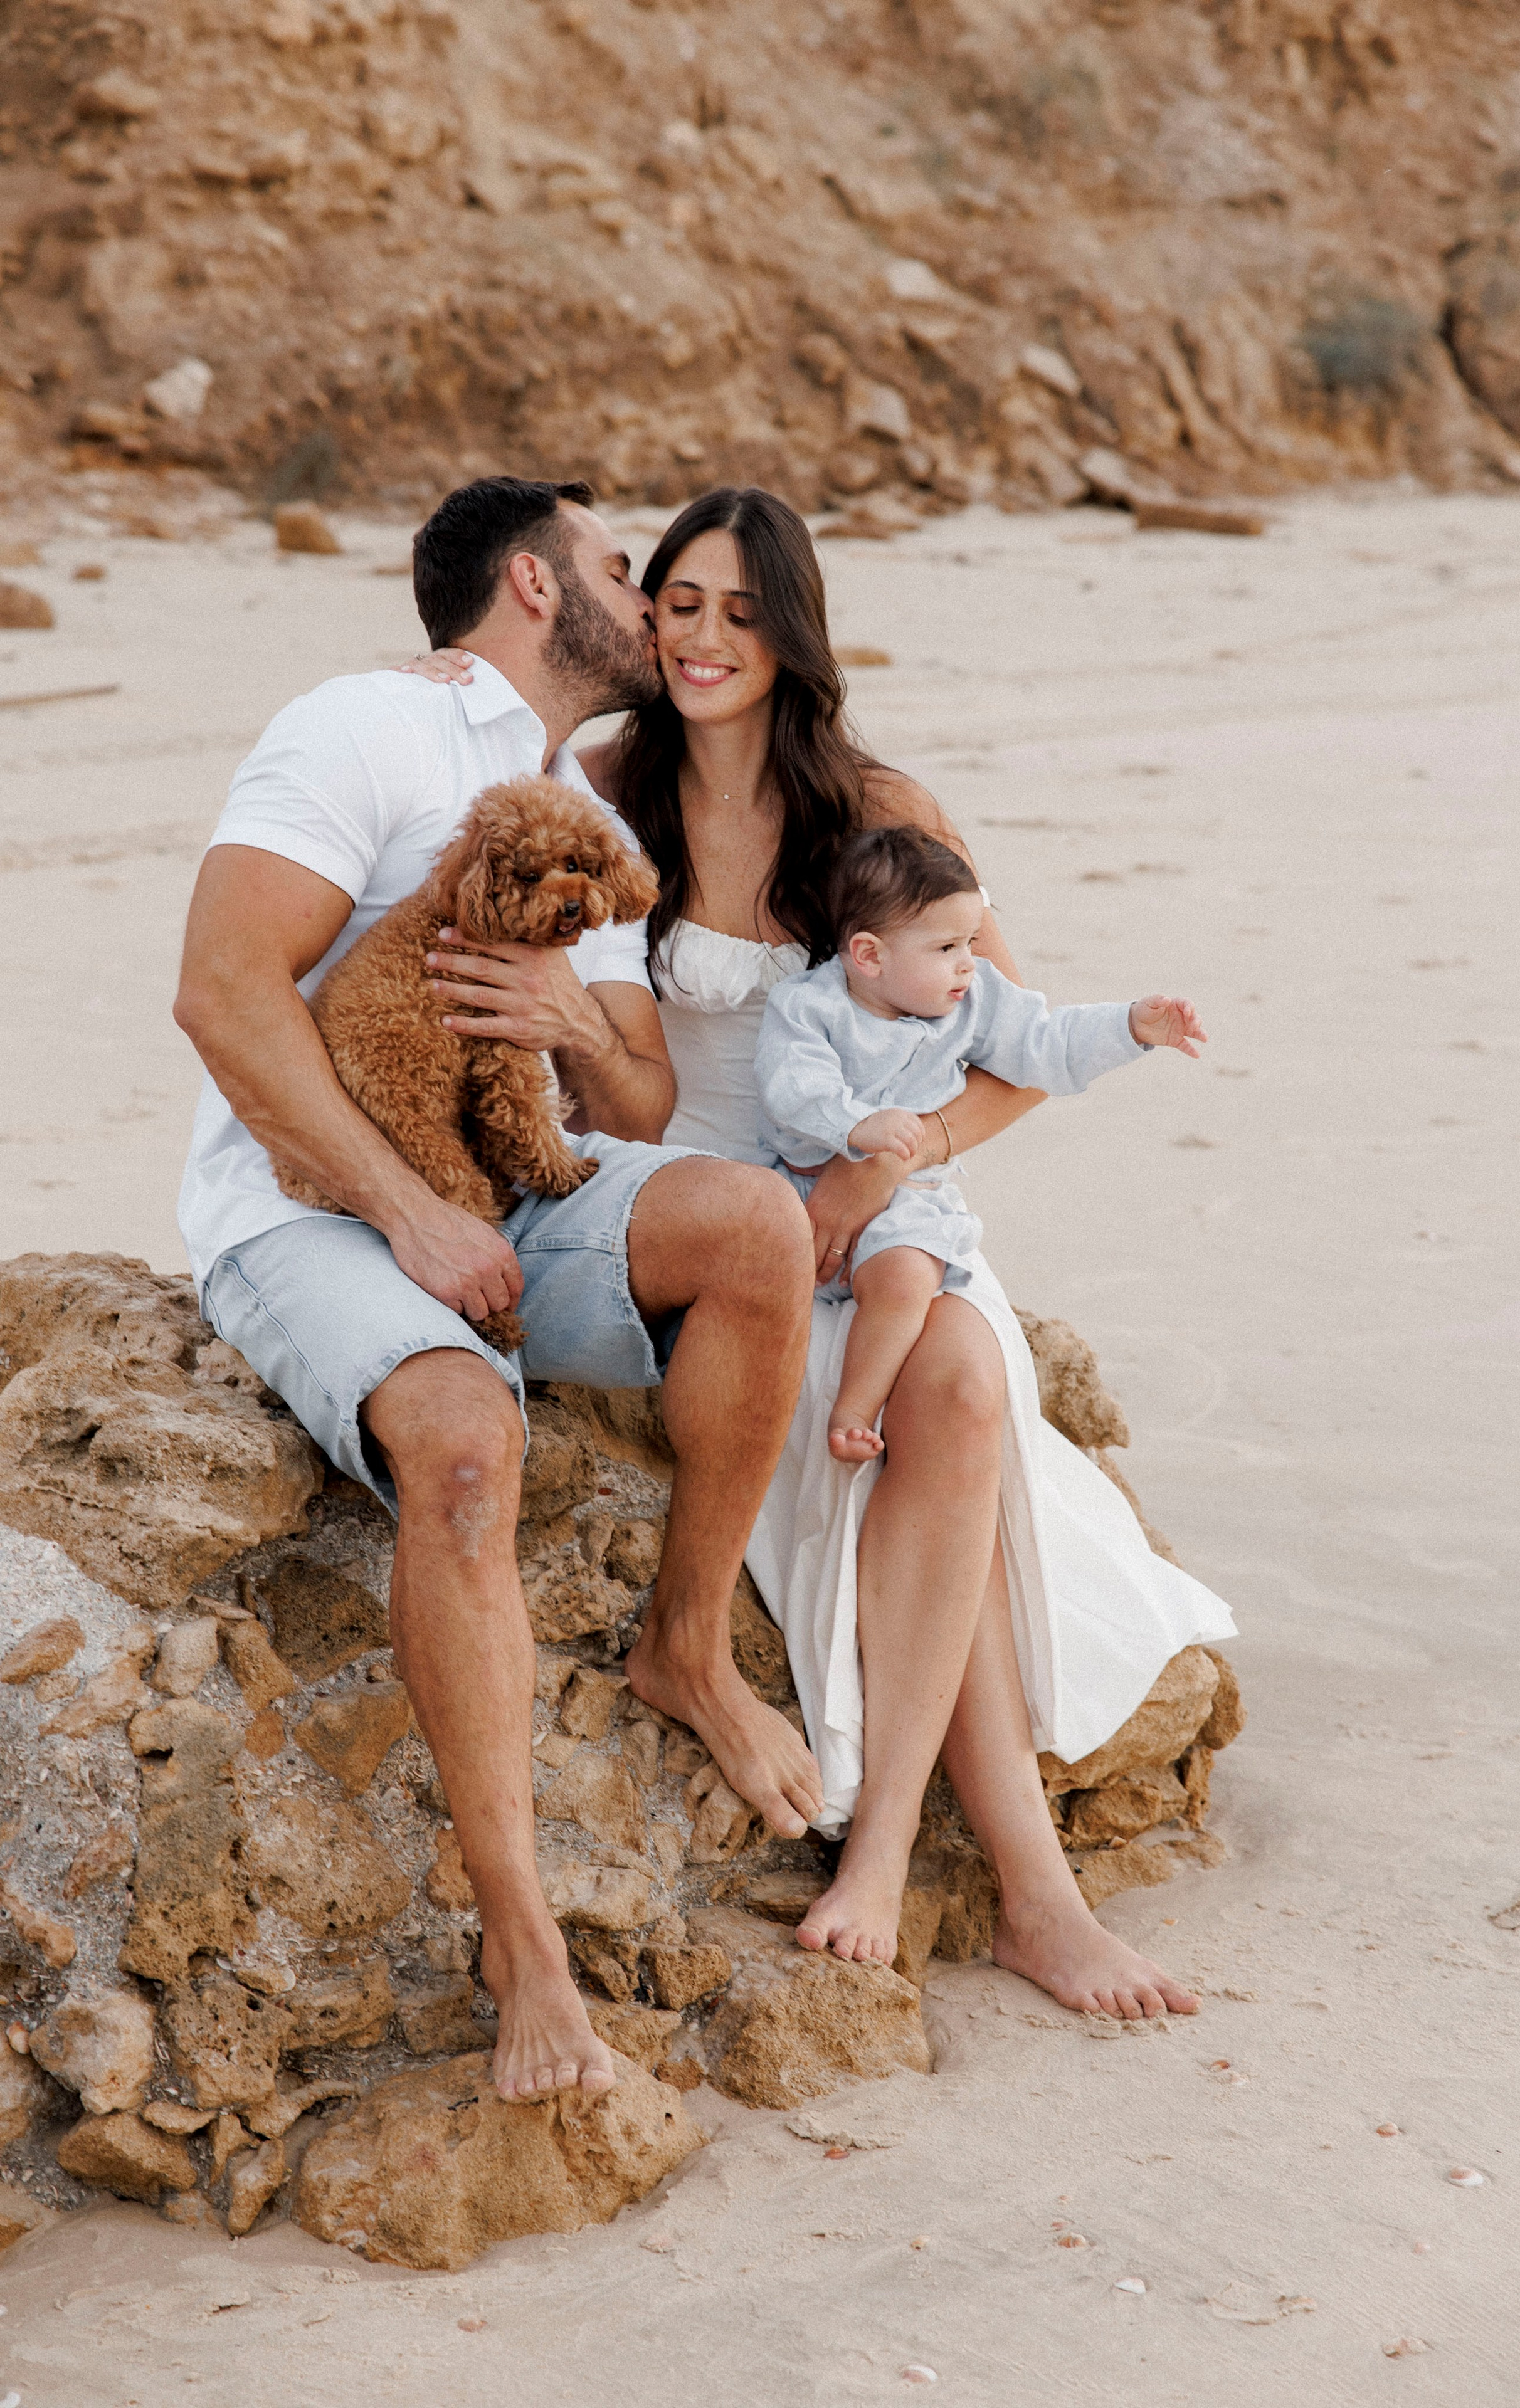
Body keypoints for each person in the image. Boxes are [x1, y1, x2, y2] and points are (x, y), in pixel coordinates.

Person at [408, 485, 1238, 2021]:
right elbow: (572, 1037)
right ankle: (1023, 1888)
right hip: (700, 1213)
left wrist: (890, 1161)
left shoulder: (874, 803)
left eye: (740, 611)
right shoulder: (597, 788)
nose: (702, 639)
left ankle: (922, 1860)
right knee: (914, 1404)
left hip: (878, 1202)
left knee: (963, 1387)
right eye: (677, 603)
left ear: (790, 631)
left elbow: (1011, 1048)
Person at [172, 476, 827, 2108]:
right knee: (468, 1446)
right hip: (311, 1203)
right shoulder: (366, 727)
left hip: (513, 1177)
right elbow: (224, 992)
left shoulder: (574, 813)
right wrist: (407, 1214)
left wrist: (567, 1012)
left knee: (758, 1225)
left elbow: (641, 1104)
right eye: (622, 566)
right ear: (535, 586)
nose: (653, 600)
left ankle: (687, 1645)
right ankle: (522, 1946)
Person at [754, 822, 1208, 1463]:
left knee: (906, 1280)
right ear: (869, 955)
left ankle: (854, 1408)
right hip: (799, 1183)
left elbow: (1044, 1044)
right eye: (947, 946)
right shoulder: (808, 1006)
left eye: (971, 940)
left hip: (907, 1203)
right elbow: (792, 1085)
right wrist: (856, 1125)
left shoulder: (974, 998)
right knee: (754, 1264)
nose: (969, 961)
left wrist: (1130, 1027)